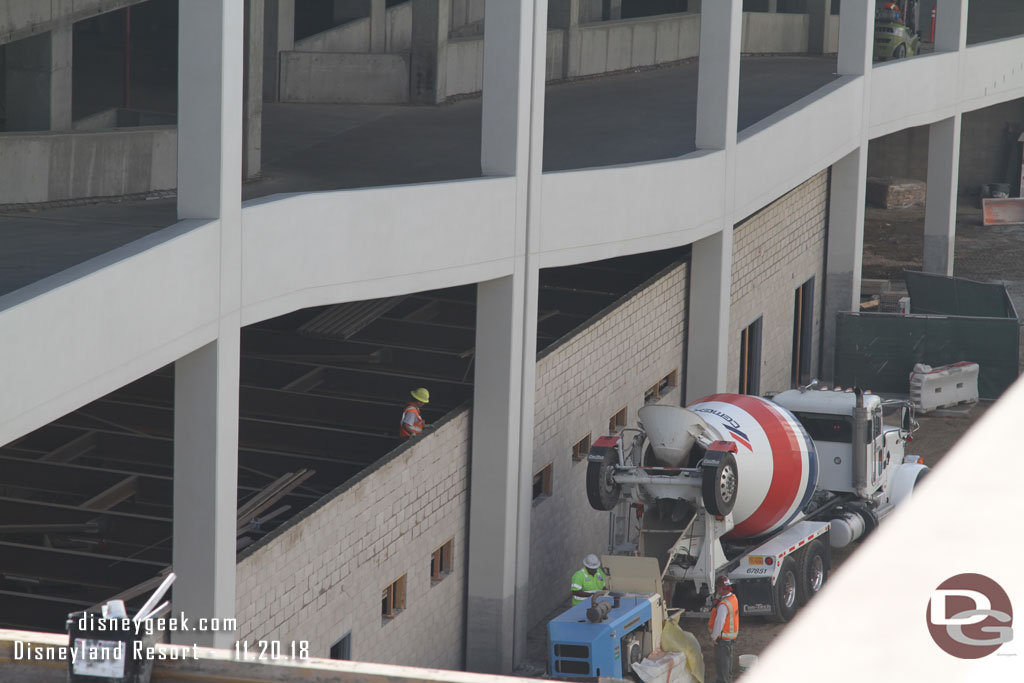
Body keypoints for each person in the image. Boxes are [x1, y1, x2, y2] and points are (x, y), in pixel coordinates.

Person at [707, 575, 739, 683]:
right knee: (727, 670)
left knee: (722, 673)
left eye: (718, 588)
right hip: (729, 641)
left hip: (721, 642)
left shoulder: (723, 605)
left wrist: (713, 637)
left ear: (720, 588)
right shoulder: (733, 599)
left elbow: (719, 622)